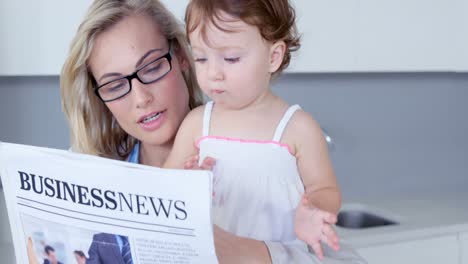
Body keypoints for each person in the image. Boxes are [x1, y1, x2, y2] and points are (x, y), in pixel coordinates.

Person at [61, 0, 365, 262]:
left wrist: (264, 251)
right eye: (114, 84)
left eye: (152, 67)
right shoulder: (95, 187)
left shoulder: (294, 130)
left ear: (181, 58)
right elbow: (168, 191)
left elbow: (326, 215)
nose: (141, 99)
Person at [164, 0, 366, 262]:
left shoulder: (297, 128)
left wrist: (313, 212)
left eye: (231, 58)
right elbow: (164, 190)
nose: (213, 73)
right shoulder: (197, 124)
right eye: (201, 57)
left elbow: (325, 189)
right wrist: (187, 182)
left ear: (273, 57)